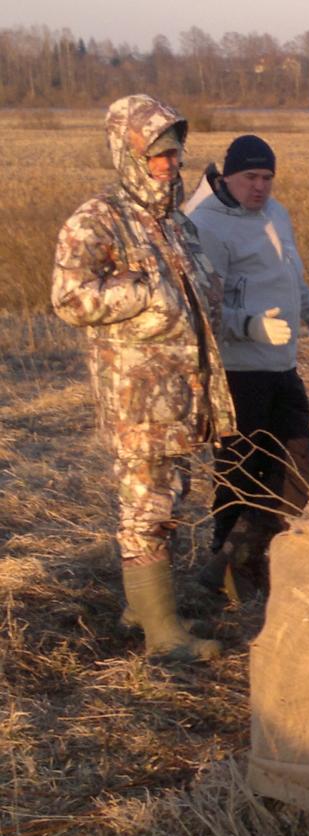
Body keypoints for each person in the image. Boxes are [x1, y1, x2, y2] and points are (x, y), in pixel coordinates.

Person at [51, 94, 236, 663]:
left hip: (182, 396)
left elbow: (199, 300)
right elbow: (69, 298)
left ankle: (145, 608)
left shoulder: (175, 223)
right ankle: (163, 636)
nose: (168, 164)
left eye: (174, 153)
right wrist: (144, 294)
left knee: (170, 495)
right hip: (136, 399)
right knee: (146, 508)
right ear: (128, 153)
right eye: (156, 154)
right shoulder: (97, 219)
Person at [188, 135, 309, 598]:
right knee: (240, 470)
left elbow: (288, 275)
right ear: (227, 175)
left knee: (297, 469)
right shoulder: (204, 224)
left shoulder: (276, 213)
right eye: (250, 176)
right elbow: (197, 310)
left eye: (267, 177)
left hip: (280, 362)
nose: (260, 186)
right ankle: (230, 570)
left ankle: (233, 562)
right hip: (235, 370)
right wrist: (249, 326)